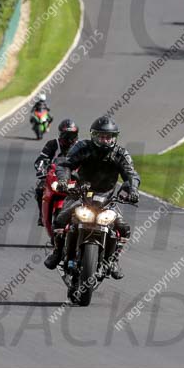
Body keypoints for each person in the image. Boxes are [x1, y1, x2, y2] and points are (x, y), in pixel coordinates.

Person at [45, 116, 140, 280]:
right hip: (81, 195)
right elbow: (66, 164)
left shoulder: (121, 153)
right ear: (94, 136)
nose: (105, 140)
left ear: (114, 137)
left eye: (108, 137)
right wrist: (63, 181)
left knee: (124, 229)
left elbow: (131, 174)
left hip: (107, 199)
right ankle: (57, 252)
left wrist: (133, 190)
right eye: (101, 136)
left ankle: (113, 260)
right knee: (60, 219)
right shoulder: (83, 147)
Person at [33, 119, 79, 226]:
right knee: (40, 188)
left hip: (75, 176)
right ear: (61, 134)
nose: (69, 138)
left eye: (71, 135)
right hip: (54, 176)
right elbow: (41, 159)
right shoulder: (52, 144)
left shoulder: (80, 146)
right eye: (66, 134)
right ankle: (42, 215)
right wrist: (41, 171)